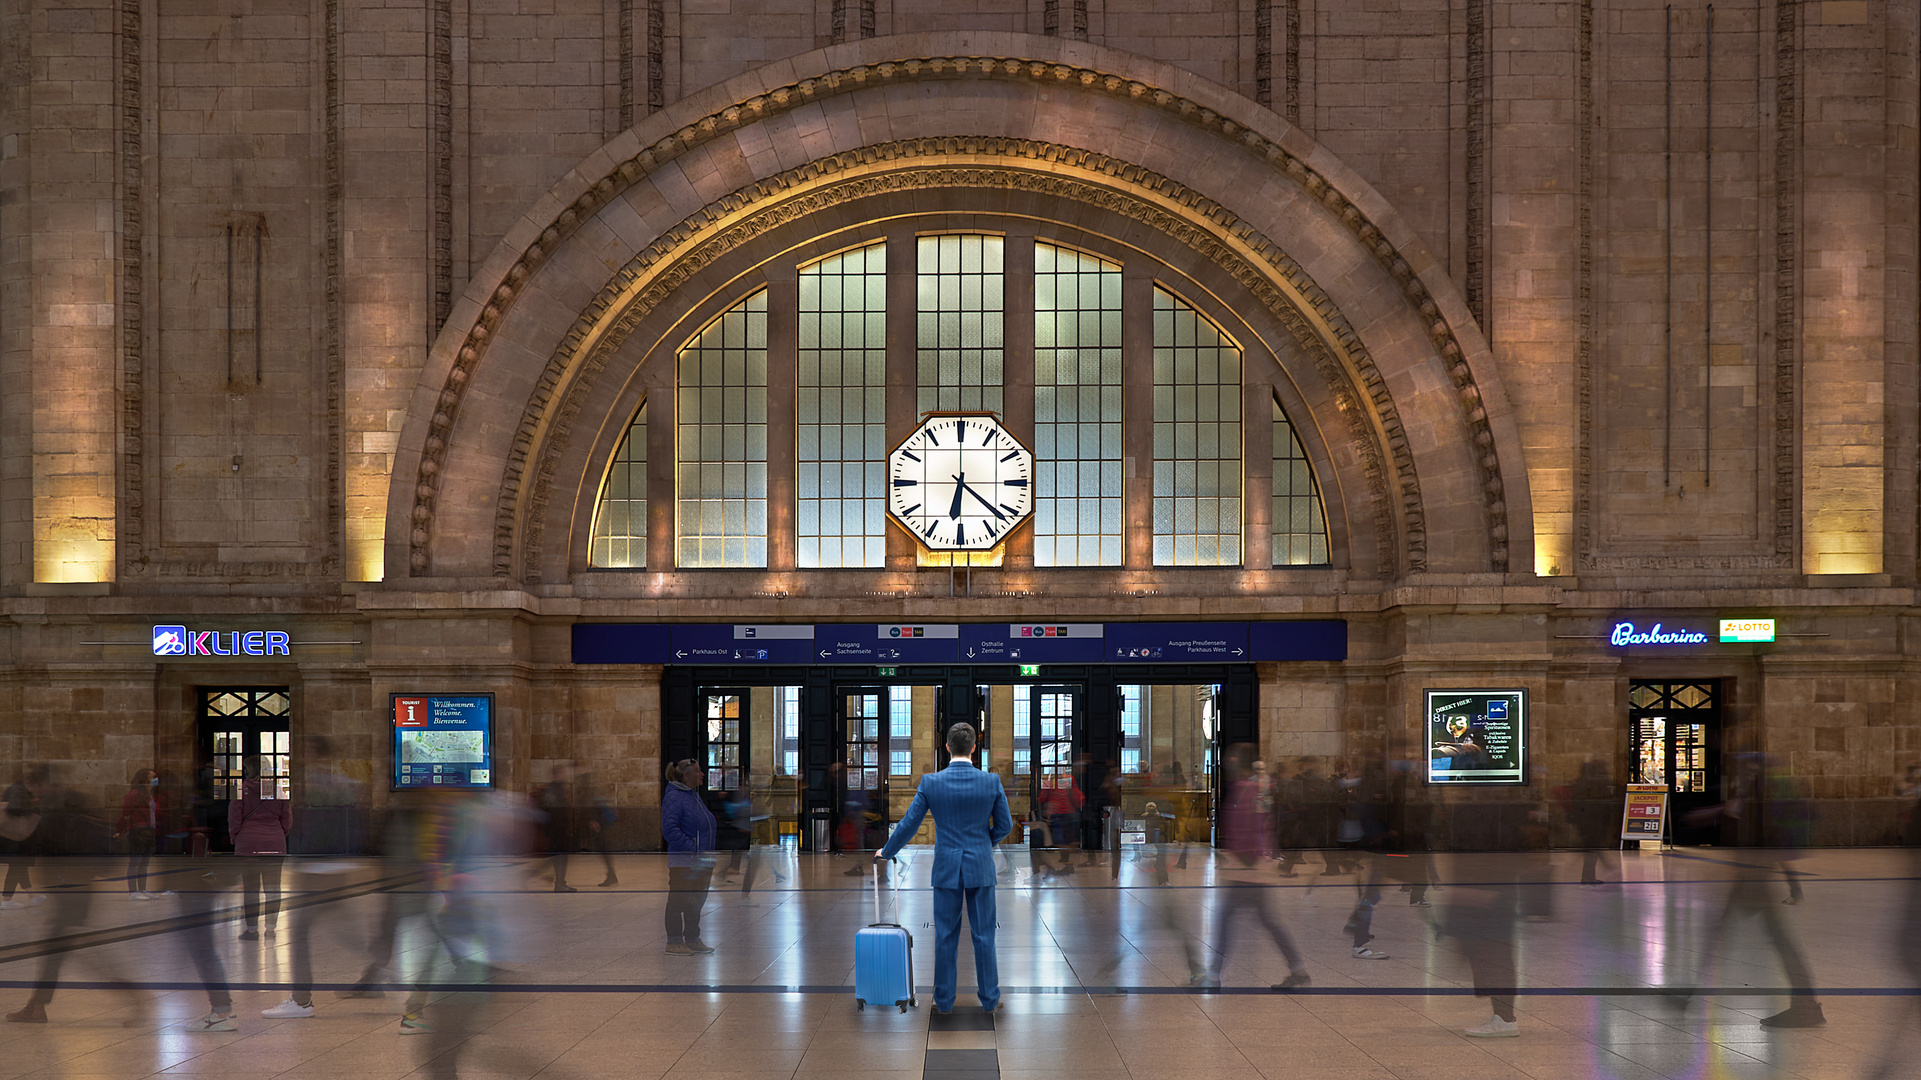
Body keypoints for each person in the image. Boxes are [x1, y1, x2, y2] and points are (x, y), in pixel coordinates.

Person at [875, 722, 1012, 1014]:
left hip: (947, 868)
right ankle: (990, 999)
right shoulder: (991, 782)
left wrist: (887, 851)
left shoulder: (931, 782)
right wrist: (982, 842)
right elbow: (1005, 826)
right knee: (984, 935)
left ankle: (944, 1000)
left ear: (946, 747)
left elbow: (909, 823)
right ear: (975, 748)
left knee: (946, 936)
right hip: (981, 867)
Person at [1201, 748, 1309, 991]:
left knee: (1225, 920)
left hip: (1246, 869)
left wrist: (1244, 859)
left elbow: (1248, 827)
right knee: (1268, 921)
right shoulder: (1256, 789)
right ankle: (1298, 969)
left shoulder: (1247, 790)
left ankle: (1213, 975)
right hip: (1251, 867)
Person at [228, 756, 290, 940]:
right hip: (274, 843)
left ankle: (252, 929)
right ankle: (271, 929)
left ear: (250, 770)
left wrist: (235, 838)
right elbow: (287, 819)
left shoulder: (241, 790)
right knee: (272, 888)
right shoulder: (278, 790)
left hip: (249, 843)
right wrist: (279, 835)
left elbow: (234, 818)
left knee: (251, 888)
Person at [660, 758, 717, 954]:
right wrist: (692, 848)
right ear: (686, 776)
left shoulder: (692, 795)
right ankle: (674, 941)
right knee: (678, 901)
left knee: (696, 901)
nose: (702, 774)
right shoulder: (675, 797)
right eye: (698, 771)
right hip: (684, 861)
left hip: (701, 861)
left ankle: (692, 937)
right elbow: (670, 829)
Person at [113, 768, 165, 899]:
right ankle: (133, 891)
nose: (155, 779)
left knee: (144, 863)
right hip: (138, 830)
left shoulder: (151, 796)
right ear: (144, 780)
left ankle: (142, 889)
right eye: (153, 777)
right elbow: (126, 814)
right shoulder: (134, 795)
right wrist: (120, 830)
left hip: (149, 830)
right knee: (135, 862)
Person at [1, 768, 44, 909]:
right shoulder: (18, 789)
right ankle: (7, 900)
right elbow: (14, 808)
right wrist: (32, 806)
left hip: (14, 836)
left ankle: (32, 896)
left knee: (19, 866)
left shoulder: (17, 789)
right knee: (17, 866)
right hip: (16, 836)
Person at [537, 762, 582, 892]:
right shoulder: (553, 790)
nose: (564, 775)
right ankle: (559, 883)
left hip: (559, 828)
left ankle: (560, 882)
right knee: (560, 856)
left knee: (559, 856)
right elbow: (553, 810)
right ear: (556, 775)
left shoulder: (558, 788)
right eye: (562, 773)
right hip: (557, 829)